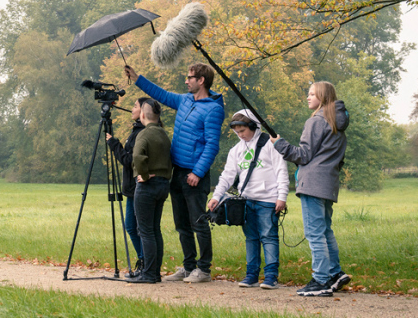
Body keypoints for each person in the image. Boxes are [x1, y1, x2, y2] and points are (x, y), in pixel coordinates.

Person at [124, 63, 225, 283]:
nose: (186, 81)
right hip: (176, 171)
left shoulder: (214, 109)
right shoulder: (185, 100)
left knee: (198, 221)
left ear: (202, 81)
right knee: (181, 224)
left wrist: (198, 172)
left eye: (190, 77)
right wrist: (137, 78)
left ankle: (204, 269)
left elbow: (211, 145)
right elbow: (160, 94)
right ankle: (189, 267)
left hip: (194, 174)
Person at [270, 81, 351, 297]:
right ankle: (334, 273)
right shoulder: (336, 123)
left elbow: (303, 156)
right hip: (328, 184)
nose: (308, 97)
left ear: (322, 98)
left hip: (313, 185)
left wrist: (279, 144)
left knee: (315, 233)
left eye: (312, 94)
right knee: (325, 230)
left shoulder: (316, 121)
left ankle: (321, 280)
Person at [208, 109, 288, 290]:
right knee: (251, 238)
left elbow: (281, 171)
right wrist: (216, 196)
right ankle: (251, 275)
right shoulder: (235, 150)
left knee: (269, 237)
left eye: (243, 131)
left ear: (253, 126)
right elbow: (227, 176)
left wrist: (281, 197)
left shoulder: (270, 144)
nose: (240, 135)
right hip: (246, 201)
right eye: (237, 132)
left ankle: (270, 277)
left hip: (268, 200)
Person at [105, 97, 152, 278]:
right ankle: (144, 261)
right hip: (132, 188)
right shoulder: (137, 131)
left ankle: (144, 262)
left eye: (135, 106)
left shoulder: (141, 133)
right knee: (132, 227)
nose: (131, 109)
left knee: (135, 227)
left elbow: (128, 161)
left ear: (143, 112)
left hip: (136, 187)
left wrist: (114, 144)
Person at [127, 99, 172, 284]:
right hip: (163, 184)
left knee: (145, 231)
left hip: (148, 186)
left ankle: (148, 273)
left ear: (143, 115)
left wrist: (143, 175)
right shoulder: (164, 134)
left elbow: (137, 156)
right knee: (155, 230)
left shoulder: (144, 134)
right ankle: (155, 272)